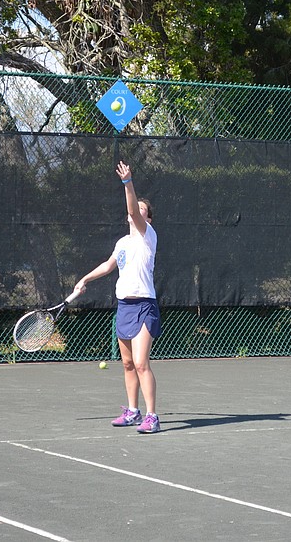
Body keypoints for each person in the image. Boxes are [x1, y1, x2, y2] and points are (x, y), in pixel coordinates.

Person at [72, 160, 162, 434]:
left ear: (148, 219)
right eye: (136, 209)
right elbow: (108, 266)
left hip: (144, 305)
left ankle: (152, 416)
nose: (136, 212)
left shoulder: (148, 237)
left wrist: (127, 182)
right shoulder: (122, 243)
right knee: (127, 363)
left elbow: (132, 209)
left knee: (141, 363)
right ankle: (133, 412)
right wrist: (85, 279)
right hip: (124, 306)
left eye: (143, 210)